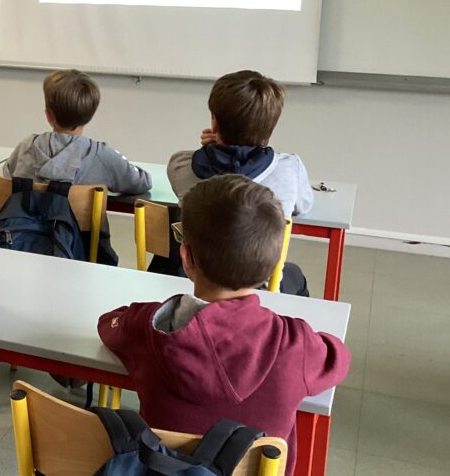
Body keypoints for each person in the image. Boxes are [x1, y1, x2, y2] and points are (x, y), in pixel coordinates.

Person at [98, 175, 350, 476]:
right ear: (271, 268)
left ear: (186, 257)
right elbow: (339, 358)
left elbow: (107, 325)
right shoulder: (295, 344)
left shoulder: (148, 327)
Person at [167, 69, 312, 294]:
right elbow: (304, 206)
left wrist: (212, 149)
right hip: (260, 283)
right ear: (270, 127)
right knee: (294, 274)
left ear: (214, 123)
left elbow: (224, 177)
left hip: (197, 279)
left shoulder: (180, 165)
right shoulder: (290, 168)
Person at [5, 69, 152, 264]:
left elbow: (8, 175)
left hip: (20, 251)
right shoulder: (100, 154)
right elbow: (141, 182)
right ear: (90, 115)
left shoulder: (27, 146)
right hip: (83, 258)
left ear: (48, 115)